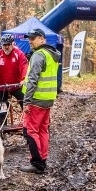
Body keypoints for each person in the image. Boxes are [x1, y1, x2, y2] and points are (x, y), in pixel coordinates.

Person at [20, 28, 62, 174]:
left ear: (42, 39)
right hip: (48, 99)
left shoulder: (39, 55)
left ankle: (37, 163)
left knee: (30, 131)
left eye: (33, 38)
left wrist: (26, 101)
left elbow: (32, 79)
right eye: (29, 39)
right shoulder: (52, 54)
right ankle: (42, 159)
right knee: (43, 130)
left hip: (36, 100)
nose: (30, 41)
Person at [0, 34, 28, 128]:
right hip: (2, 86)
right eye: (4, 45)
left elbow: (24, 67)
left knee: (25, 103)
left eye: (8, 45)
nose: (6, 47)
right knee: (1, 109)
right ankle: (1, 128)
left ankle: (28, 123)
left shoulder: (19, 54)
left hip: (16, 85)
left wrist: (23, 79)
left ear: (12, 44)